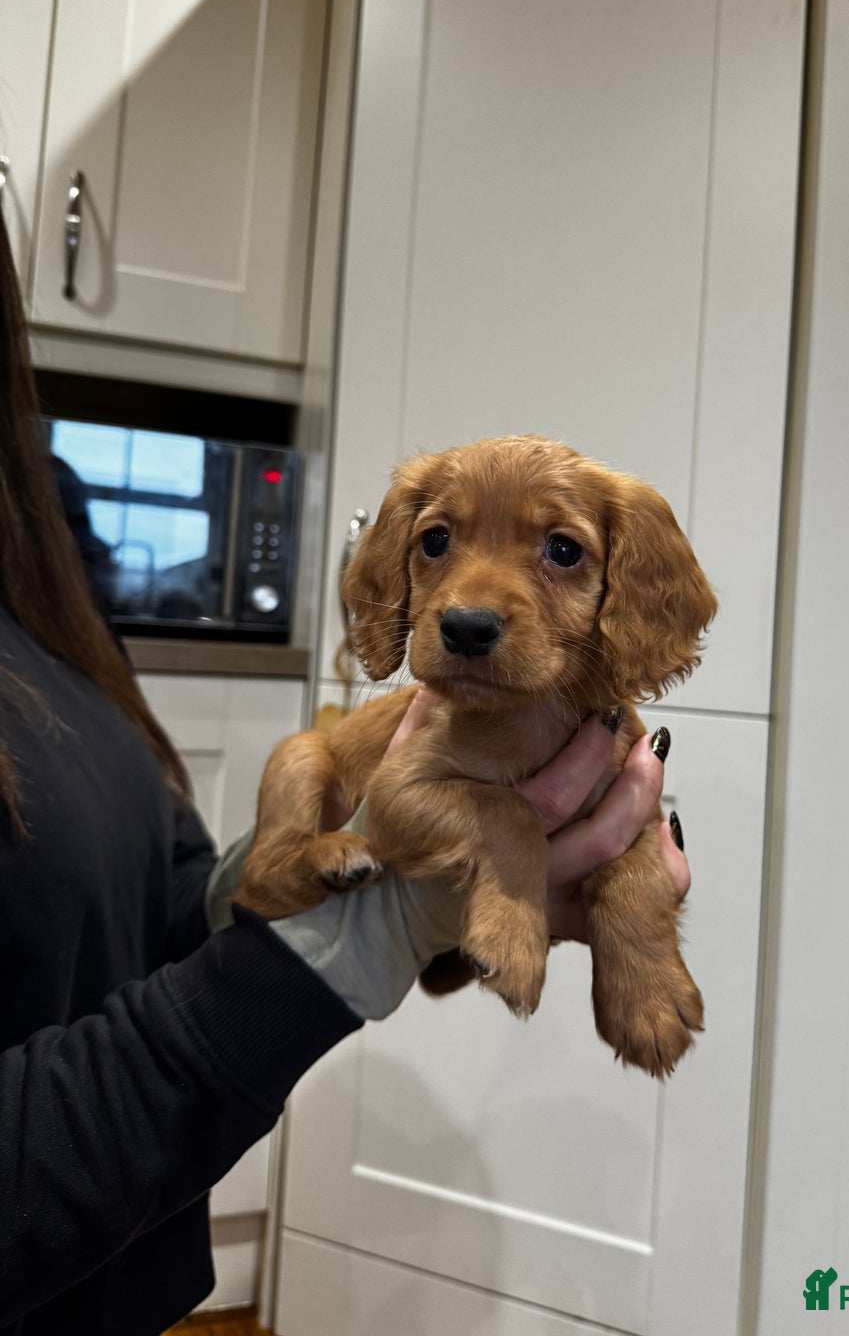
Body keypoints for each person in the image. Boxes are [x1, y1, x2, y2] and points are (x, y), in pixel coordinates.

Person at [0, 209, 690, 1335]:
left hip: (131, 1285)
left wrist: (623, 914)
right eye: (436, 545)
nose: (471, 598)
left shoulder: (46, 606)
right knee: (303, 757)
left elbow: (164, 898)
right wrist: (383, 922)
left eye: (560, 552)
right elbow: (395, 798)